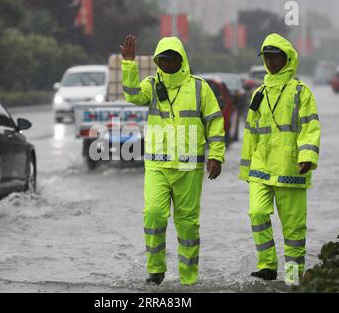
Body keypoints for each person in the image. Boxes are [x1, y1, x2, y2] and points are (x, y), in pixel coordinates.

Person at [120, 35, 226, 285]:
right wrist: (128, 64)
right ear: (157, 61)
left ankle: (189, 279)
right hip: (157, 165)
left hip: (189, 167)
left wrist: (216, 155)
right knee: (154, 215)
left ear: (181, 59)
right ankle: (155, 272)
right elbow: (133, 96)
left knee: (188, 225)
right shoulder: (151, 84)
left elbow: (215, 122)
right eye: (162, 59)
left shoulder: (200, 87)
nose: (166, 63)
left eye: (171, 58)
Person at [239, 33, 321, 283]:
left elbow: (310, 127)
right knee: (257, 213)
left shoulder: (300, 92)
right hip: (261, 169)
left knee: (294, 228)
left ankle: (294, 278)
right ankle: (267, 265)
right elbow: (251, 131)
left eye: (275, 57)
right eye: (267, 57)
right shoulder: (258, 94)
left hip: (291, 168)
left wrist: (307, 156)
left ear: (288, 58)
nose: (271, 61)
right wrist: (246, 169)